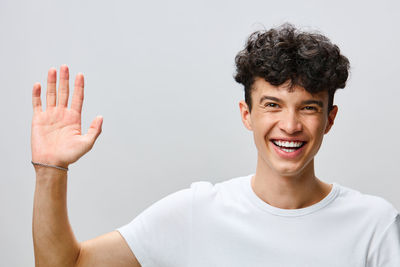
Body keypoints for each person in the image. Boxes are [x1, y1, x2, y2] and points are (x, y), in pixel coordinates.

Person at [31, 23, 400, 267]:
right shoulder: (195, 212)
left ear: (329, 119)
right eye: (272, 104)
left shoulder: (375, 226)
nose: (289, 125)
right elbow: (67, 265)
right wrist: (50, 169)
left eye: (308, 108)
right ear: (247, 114)